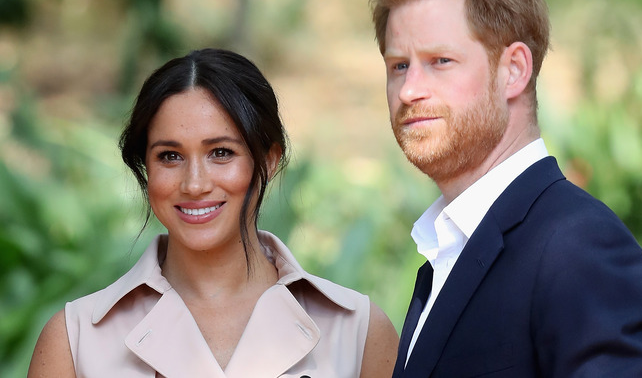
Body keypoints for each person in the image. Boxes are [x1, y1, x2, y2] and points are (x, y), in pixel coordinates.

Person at [369, 0, 642, 377]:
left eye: (440, 61)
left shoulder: (580, 248)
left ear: (513, 70)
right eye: (399, 66)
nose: (408, 90)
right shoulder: (449, 251)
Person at [27, 48, 398, 377]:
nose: (194, 184)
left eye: (221, 152)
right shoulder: (74, 342)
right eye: (169, 156)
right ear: (146, 169)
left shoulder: (359, 332)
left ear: (268, 161)